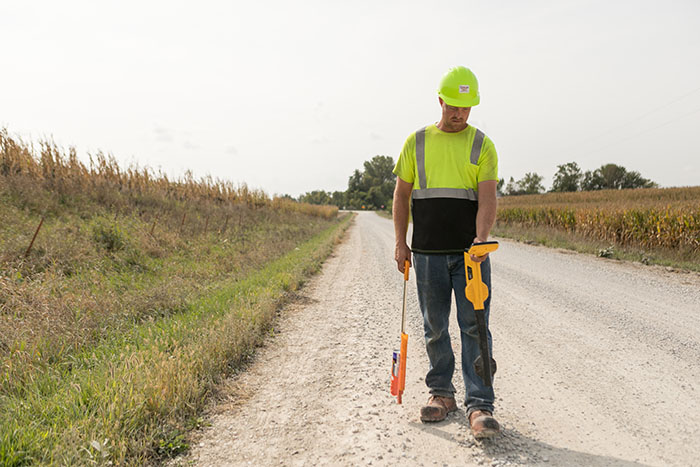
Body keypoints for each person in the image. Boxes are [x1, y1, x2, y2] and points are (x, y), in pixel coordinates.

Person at [392, 66, 500, 439]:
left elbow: (488, 198)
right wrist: (399, 242)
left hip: (471, 257)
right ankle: (442, 393)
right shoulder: (416, 142)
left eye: (467, 108)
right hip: (425, 253)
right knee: (434, 325)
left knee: (475, 326)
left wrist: (481, 238)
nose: (460, 114)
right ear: (441, 101)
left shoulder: (482, 144)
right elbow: (401, 196)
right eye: (454, 106)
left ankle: (480, 404)